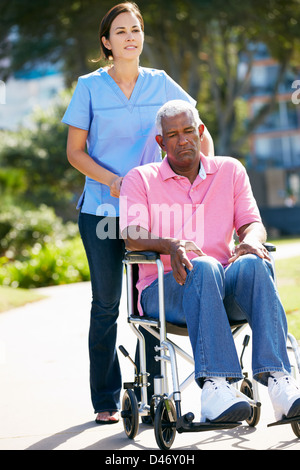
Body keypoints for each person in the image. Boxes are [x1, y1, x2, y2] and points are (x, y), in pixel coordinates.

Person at [61, 3, 214, 424]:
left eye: (136, 29)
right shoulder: (89, 87)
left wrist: (205, 178)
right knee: (108, 303)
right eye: (121, 31)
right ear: (107, 43)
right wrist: (112, 180)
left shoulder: (162, 84)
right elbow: (75, 152)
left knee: (153, 301)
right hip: (102, 211)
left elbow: (200, 134)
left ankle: (153, 392)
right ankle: (107, 398)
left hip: (153, 210)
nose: (130, 36)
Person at [119, 99, 300, 424]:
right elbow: (131, 235)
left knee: (255, 262)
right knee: (201, 267)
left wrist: (250, 240)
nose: (183, 139)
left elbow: (252, 223)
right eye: (172, 135)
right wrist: (170, 245)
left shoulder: (230, 170)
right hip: (163, 292)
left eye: (189, 131)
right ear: (160, 142)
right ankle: (215, 389)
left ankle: (279, 382)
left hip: (224, 285)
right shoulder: (140, 179)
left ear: (200, 132)